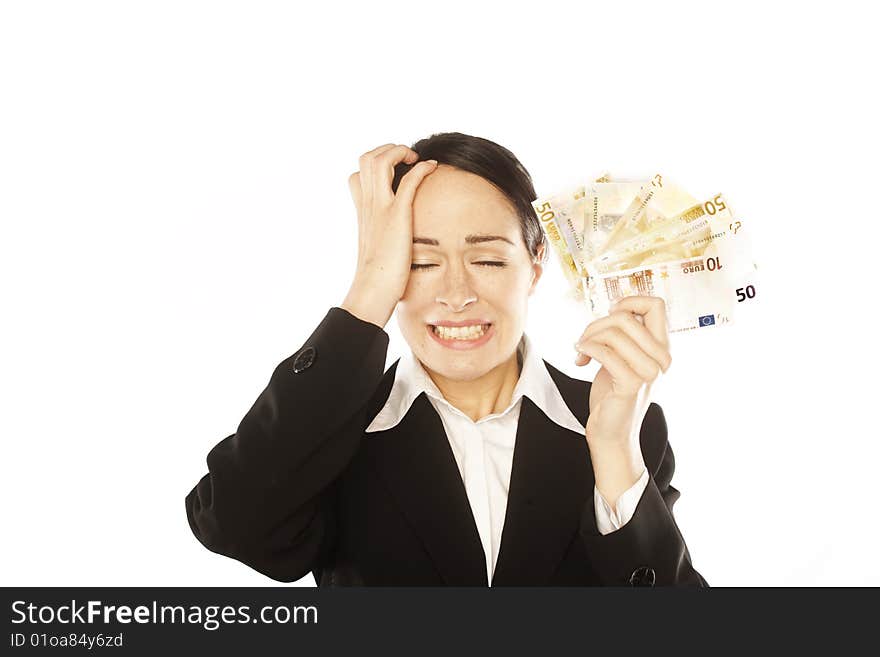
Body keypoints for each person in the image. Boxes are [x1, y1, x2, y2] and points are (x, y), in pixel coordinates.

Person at [184, 132, 708, 586]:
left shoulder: (625, 431)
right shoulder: (333, 430)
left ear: (535, 268)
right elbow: (233, 525)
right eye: (420, 261)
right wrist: (366, 291)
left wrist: (613, 446)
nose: (457, 294)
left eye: (486, 259)